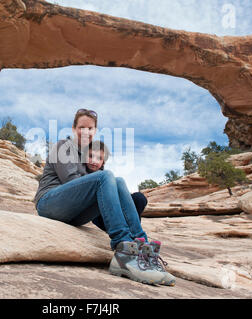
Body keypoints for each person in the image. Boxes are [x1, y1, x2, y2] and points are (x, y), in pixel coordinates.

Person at [33, 108, 175, 286]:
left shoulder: (88, 158)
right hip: (49, 203)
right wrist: (101, 182)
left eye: (90, 128)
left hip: (72, 214)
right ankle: (123, 249)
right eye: (81, 127)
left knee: (119, 181)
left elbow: (97, 196)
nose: (86, 132)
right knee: (106, 177)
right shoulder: (63, 146)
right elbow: (71, 180)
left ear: (95, 131)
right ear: (73, 128)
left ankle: (142, 250)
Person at [82, 140, 148, 232]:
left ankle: (135, 232)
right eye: (91, 156)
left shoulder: (106, 176)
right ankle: (127, 232)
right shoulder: (80, 173)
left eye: (99, 158)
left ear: (103, 162)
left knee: (139, 197)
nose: (94, 161)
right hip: (99, 214)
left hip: (116, 209)